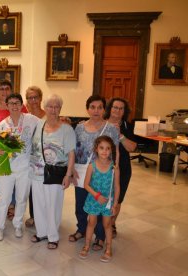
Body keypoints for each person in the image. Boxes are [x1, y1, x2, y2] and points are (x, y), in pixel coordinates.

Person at [69, 95, 119, 252]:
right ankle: (82, 229)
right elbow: (74, 149)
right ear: (87, 109)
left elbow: (115, 150)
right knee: (82, 203)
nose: (96, 110)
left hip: (102, 173)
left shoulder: (111, 128)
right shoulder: (79, 127)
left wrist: (115, 168)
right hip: (82, 171)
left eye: (99, 107)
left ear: (104, 109)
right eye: (92, 107)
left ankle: (100, 236)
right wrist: (71, 170)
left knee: (100, 204)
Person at [29, 94, 75, 249]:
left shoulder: (67, 129)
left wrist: (68, 175)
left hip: (55, 173)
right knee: (39, 203)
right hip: (36, 172)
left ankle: (53, 236)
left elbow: (71, 154)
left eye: (57, 106)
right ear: (45, 107)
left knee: (53, 204)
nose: (53, 109)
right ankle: (41, 232)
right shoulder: (39, 124)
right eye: (50, 106)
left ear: (60, 109)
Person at [0, 93, 39, 241]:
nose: (14, 106)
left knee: (21, 198)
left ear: (22, 105)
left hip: (25, 167)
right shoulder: (2, 125)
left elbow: (47, 124)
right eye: (11, 103)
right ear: (7, 106)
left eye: (17, 103)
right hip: (7, 166)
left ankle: (18, 224)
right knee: (3, 198)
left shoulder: (31, 120)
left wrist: (62, 121)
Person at [0, 80, 27, 220]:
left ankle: (11, 205)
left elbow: (28, 122)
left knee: (14, 176)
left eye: (7, 88)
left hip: (15, 150)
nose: (4, 91)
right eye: (1, 88)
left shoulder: (19, 106)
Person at [79, 136, 120, 262]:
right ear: (96, 149)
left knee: (107, 224)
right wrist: (96, 196)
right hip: (94, 200)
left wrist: (115, 204)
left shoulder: (114, 168)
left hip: (108, 202)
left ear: (111, 151)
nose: (104, 151)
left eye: (108, 149)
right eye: (101, 148)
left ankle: (108, 248)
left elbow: (117, 187)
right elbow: (86, 184)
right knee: (91, 222)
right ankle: (86, 245)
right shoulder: (92, 166)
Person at [104, 97, 136, 238]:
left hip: (122, 168)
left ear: (124, 111)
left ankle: (112, 224)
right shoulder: (102, 124)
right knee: (102, 197)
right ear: (110, 108)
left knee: (117, 198)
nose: (117, 110)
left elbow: (132, 147)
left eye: (121, 108)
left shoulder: (127, 126)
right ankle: (100, 224)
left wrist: (120, 135)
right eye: (115, 107)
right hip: (102, 168)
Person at [24, 86, 46, 228]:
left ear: (40, 98)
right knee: (31, 189)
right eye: (30, 98)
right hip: (27, 158)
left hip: (44, 159)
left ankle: (45, 216)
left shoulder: (47, 115)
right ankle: (33, 216)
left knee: (44, 189)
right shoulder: (23, 116)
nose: (33, 101)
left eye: (35, 97)